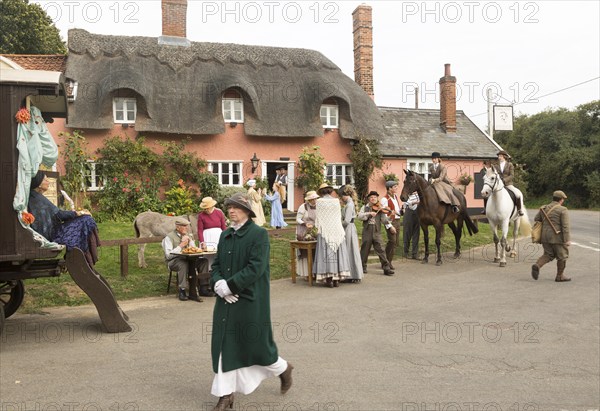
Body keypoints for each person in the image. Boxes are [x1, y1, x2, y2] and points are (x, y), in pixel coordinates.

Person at [209, 193, 293, 410]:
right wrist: (219, 284)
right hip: (225, 300)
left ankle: (282, 368)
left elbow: (256, 268)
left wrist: (231, 285)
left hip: (250, 300)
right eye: (229, 207)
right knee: (224, 346)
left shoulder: (258, 235)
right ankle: (225, 395)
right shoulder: (225, 235)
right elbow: (216, 265)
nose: (231, 210)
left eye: (236, 207)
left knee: (255, 346)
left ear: (247, 210)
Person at [28, 170, 100, 266]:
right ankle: (85, 258)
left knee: (85, 220)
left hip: (46, 233)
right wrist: (80, 213)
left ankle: (86, 257)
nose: (48, 181)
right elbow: (60, 215)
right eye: (45, 179)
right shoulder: (37, 198)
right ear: (39, 184)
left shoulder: (34, 196)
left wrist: (77, 214)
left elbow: (56, 214)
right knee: (86, 220)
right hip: (51, 235)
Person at [313, 183, 350, 287]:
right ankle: (336, 279)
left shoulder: (319, 202)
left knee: (326, 254)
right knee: (337, 254)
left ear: (321, 192)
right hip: (337, 229)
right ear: (330, 191)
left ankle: (329, 279)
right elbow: (338, 217)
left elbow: (319, 217)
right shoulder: (336, 201)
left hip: (325, 230)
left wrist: (319, 227)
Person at [162, 218, 207, 302]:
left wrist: (191, 242)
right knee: (183, 264)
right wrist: (181, 245)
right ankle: (182, 290)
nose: (187, 228)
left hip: (189, 259)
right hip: (174, 261)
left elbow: (193, 249)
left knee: (203, 261)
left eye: (187, 226)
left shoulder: (188, 235)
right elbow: (168, 255)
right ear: (178, 227)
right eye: (184, 226)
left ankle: (203, 287)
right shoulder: (169, 237)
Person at [531, 190, 571, 282]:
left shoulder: (543, 208)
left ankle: (537, 265)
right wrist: (567, 240)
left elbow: (537, 219)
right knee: (562, 256)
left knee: (548, 255)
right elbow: (565, 226)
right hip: (558, 237)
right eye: (563, 199)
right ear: (561, 200)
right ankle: (559, 276)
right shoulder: (563, 210)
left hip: (544, 236)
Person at [357, 191, 395, 276]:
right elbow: (359, 216)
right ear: (369, 199)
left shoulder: (380, 208)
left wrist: (390, 216)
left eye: (375, 197)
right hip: (367, 231)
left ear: (377, 198)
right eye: (371, 197)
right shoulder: (365, 207)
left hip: (377, 231)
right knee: (364, 250)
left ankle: (386, 268)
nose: (373, 198)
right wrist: (369, 213)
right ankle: (362, 267)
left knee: (381, 249)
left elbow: (384, 220)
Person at [197, 196, 227, 297]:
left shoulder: (219, 213)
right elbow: (200, 230)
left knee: (217, 258)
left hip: (218, 237)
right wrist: (202, 242)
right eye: (204, 208)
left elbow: (223, 227)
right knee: (207, 260)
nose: (206, 210)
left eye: (207, 208)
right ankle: (206, 284)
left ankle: (218, 283)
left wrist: (226, 238)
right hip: (207, 238)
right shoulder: (201, 216)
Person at [338, 185, 364, 283]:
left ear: (345, 195)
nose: (341, 199)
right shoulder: (349, 203)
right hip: (349, 228)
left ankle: (352, 274)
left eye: (341, 196)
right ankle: (352, 274)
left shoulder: (349, 205)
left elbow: (346, 221)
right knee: (350, 250)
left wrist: (337, 223)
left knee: (349, 250)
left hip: (348, 229)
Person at [295, 191, 319, 278]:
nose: (314, 201)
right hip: (303, 231)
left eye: (315, 199)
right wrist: (305, 224)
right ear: (309, 200)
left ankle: (315, 272)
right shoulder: (303, 207)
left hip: (314, 231)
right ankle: (307, 274)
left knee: (315, 251)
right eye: (312, 199)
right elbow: (298, 219)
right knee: (305, 252)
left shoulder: (318, 207)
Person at [380, 180, 402, 270]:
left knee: (395, 242)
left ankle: (386, 261)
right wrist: (390, 226)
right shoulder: (384, 199)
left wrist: (400, 211)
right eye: (395, 187)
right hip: (390, 222)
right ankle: (387, 262)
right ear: (389, 188)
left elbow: (394, 210)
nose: (396, 188)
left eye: (396, 186)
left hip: (397, 220)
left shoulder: (395, 197)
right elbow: (384, 214)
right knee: (392, 241)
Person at [495, 150, 524, 216]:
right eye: (499, 156)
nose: (499, 157)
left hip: (508, 184)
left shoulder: (510, 165)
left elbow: (512, 175)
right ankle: (486, 209)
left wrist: (504, 180)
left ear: (504, 157)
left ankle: (520, 210)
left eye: (501, 156)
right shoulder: (496, 165)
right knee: (487, 194)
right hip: (498, 185)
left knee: (518, 195)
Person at [403, 191, 421, 260]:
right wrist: (415, 202)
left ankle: (415, 253)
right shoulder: (406, 194)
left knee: (416, 234)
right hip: (409, 212)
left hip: (417, 213)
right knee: (407, 233)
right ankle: (406, 252)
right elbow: (405, 204)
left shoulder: (419, 194)